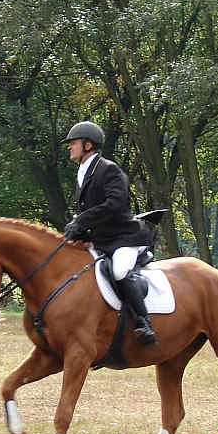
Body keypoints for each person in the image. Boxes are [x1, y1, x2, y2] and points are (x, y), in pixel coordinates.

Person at [61, 121, 157, 345]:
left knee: (121, 271)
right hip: (103, 241)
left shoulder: (108, 169)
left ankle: (144, 323)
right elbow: (93, 212)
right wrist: (78, 231)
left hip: (125, 238)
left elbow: (115, 204)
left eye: (72, 143)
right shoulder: (83, 172)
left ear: (87, 144)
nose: (69, 147)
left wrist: (82, 221)